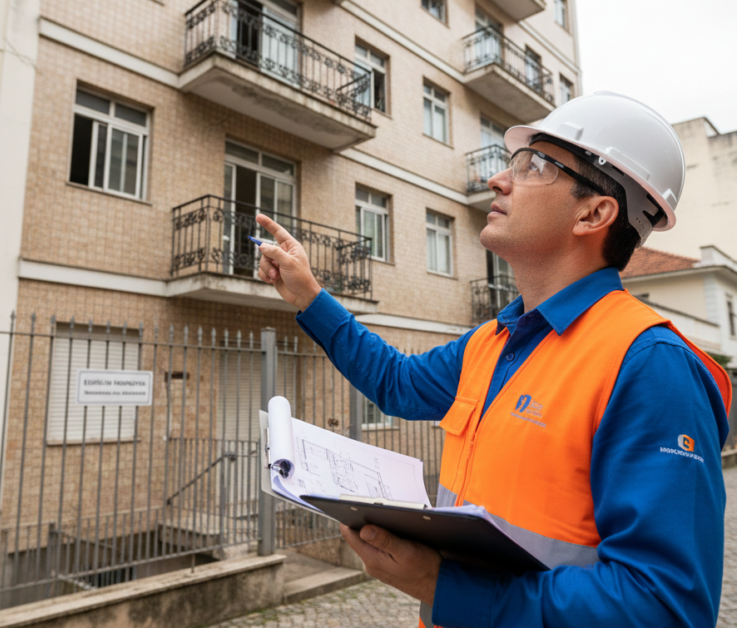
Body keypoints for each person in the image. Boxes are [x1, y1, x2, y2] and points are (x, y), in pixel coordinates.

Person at [254, 91, 731, 628]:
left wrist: (444, 585)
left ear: (594, 212)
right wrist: (310, 298)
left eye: (534, 166)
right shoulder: (492, 341)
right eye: (513, 163)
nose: (499, 180)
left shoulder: (649, 365)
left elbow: (665, 607)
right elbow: (396, 382)